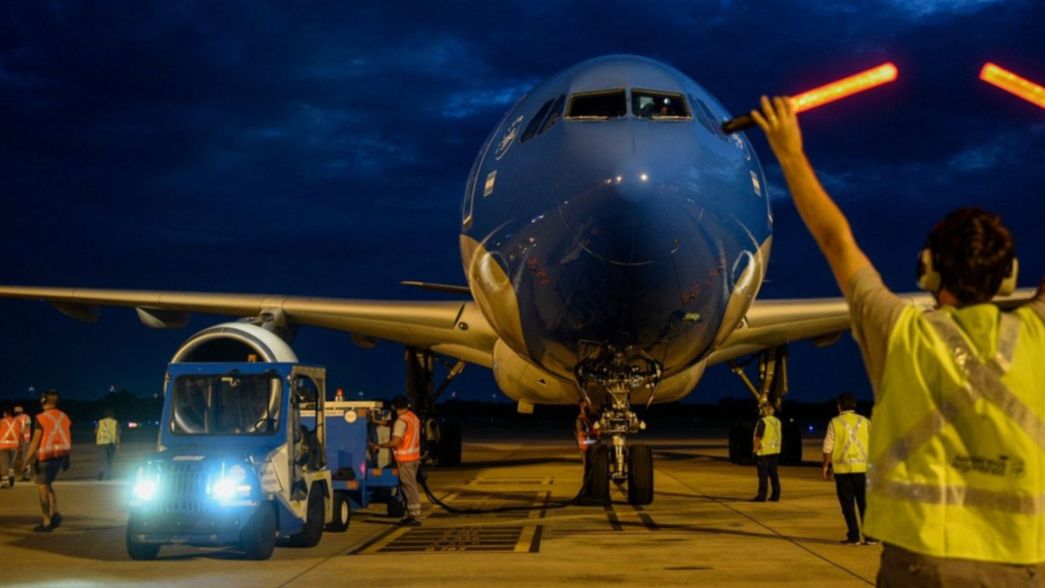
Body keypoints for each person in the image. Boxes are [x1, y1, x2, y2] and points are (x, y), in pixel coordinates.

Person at [752, 96, 1045, 586]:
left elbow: (835, 238)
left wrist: (789, 153)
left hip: (921, 566)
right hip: (1021, 568)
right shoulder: (1036, 335)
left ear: (925, 270)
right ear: (1010, 277)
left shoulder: (901, 332)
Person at [822, 392, 875, 545]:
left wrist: (826, 465)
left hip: (843, 471)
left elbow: (827, 446)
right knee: (864, 504)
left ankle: (853, 536)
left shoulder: (834, 422)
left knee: (848, 505)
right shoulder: (865, 421)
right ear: (854, 405)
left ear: (839, 406)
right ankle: (870, 537)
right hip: (863, 469)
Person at [370, 395, 422, 526]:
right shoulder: (412, 417)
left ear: (394, 407)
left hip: (405, 459)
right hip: (414, 458)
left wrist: (379, 446)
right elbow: (392, 424)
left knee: (409, 488)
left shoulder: (401, 421)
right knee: (411, 486)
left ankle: (414, 516)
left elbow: (396, 441)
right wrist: (377, 422)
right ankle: (411, 514)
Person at [24, 389, 72, 532]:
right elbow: (68, 436)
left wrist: (26, 461)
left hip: (46, 456)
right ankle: (55, 513)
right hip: (61, 456)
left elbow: (35, 441)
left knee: (43, 487)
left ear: (43, 401)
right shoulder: (64, 417)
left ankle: (46, 521)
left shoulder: (41, 418)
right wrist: (68, 458)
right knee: (48, 483)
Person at [751, 404, 781, 502]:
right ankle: (776, 495)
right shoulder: (777, 422)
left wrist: (754, 449)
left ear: (764, 411)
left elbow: (758, 437)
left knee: (763, 475)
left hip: (764, 452)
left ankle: (762, 495)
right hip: (775, 451)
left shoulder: (763, 422)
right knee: (774, 474)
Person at [94, 409, 121, 481]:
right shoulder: (115, 422)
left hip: (101, 443)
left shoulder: (100, 422)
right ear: (113, 415)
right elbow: (117, 434)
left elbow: (95, 431)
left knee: (102, 459)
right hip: (111, 443)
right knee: (110, 460)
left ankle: (101, 471)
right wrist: (118, 443)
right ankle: (108, 475)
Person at [1, 406, 23, 488]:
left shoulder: (1, 422)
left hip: (3, 446)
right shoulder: (17, 422)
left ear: (5, 414)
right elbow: (21, 435)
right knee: (11, 464)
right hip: (14, 446)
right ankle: (11, 478)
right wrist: (20, 445)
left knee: (4, 464)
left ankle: (5, 482)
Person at [14, 405, 31, 481]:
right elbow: (28, 427)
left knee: (19, 458)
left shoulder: (14, 419)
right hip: (25, 440)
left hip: (20, 441)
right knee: (25, 458)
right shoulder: (26, 417)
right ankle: (26, 475)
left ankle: (25, 475)